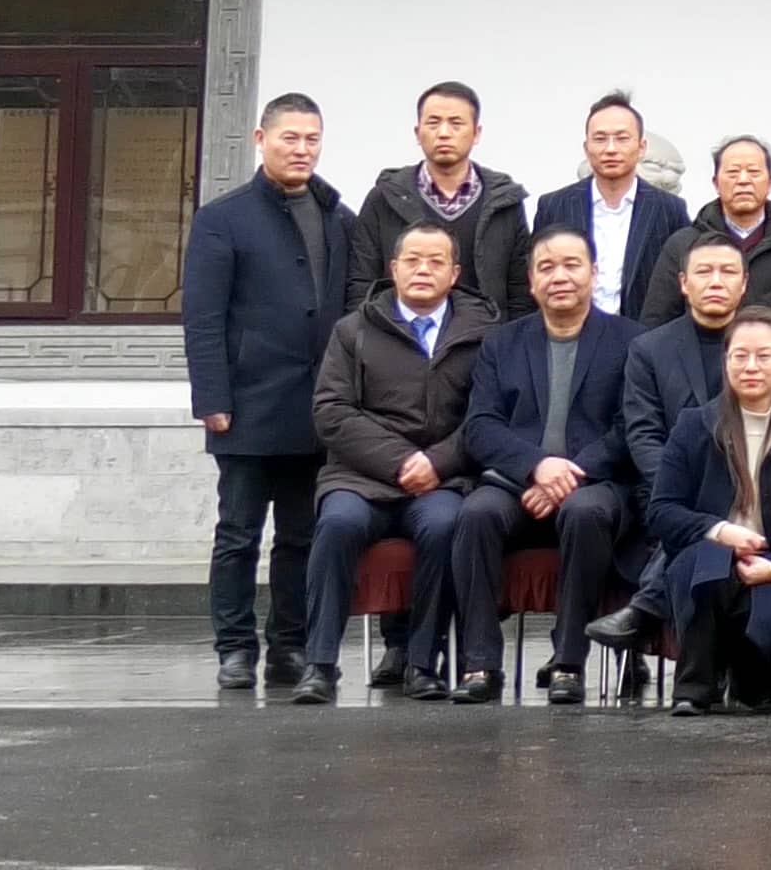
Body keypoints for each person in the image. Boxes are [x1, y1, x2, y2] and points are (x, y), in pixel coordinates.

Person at [184, 90, 354, 693]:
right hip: (248, 405)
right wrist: (213, 398)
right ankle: (234, 647)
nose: (301, 149)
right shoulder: (223, 219)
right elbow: (203, 318)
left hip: (317, 409)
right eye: (290, 138)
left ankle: (290, 644)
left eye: (312, 139)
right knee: (238, 534)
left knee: (302, 536)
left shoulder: (338, 216)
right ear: (261, 140)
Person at [290, 225, 489, 706]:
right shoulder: (354, 330)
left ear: (455, 274)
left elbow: (488, 417)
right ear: (393, 269)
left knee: (444, 527)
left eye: (436, 262)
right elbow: (331, 411)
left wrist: (437, 461)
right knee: (337, 524)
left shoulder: (483, 335)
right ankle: (319, 664)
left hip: (442, 479)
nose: (423, 270)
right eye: (413, 260)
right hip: (362, 477)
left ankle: (422, 662)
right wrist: (401, 461)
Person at [450, 226, 637, 705]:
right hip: (518, 483)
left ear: (594, 273)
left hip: (595, 484)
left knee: (584, 512)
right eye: (546, 267)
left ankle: (568, 662)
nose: (560, 276)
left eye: (572, 265)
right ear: (531, 281)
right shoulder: (502, 344)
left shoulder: (630, 341)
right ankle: (479, 663)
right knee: (475, 514)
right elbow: (480, 426)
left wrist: (568, 475)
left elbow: (630, 428)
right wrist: (537, 467)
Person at [649, 305, 771, 716]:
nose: (751, 366)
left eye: (763, 356)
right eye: (740, 356)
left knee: (768, 647)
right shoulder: (694, 425)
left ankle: (747, 672)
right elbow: (662, 510)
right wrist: (720, 531)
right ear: (726, 361)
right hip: (704, 557)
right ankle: (693, 690)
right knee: (710, 572)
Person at [589, 234, 746, 662]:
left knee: (701, 521)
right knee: (693, 520)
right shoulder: (649, 349)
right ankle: (701, 664)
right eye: (704, 272)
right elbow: (643, 433)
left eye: (728, 272)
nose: (716, 281)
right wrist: (679, 487)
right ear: (683, 283)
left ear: (744, 283)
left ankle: (644, 610)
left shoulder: (765, 343)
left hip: (752, 487)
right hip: (668, 489)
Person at [347, 81, 531, 319]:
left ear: (476, 133)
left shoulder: (504, 202)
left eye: (456, 123)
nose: (444, 133)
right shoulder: (385, 198)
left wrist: (508, 339)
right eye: (433, 123)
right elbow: (361, 283)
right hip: (399, 337)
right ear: (417, 133)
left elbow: (520, 291)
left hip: (485, 336)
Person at [530, 94, 689, 322]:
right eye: (600, 139)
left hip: (645, 334)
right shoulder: (554, 206)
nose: (611, 149)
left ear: (641, 147)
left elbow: (679, 283)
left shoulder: (669, 209)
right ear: (586, 148)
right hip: (572, 332)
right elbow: (537, 275)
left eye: (622, 138)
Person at [640, 137, 771, 324]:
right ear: (716, 183)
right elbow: (656, 321)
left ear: (770, 182)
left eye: (754, 172)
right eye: (733, 172)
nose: (743, 180)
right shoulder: (683, 245)